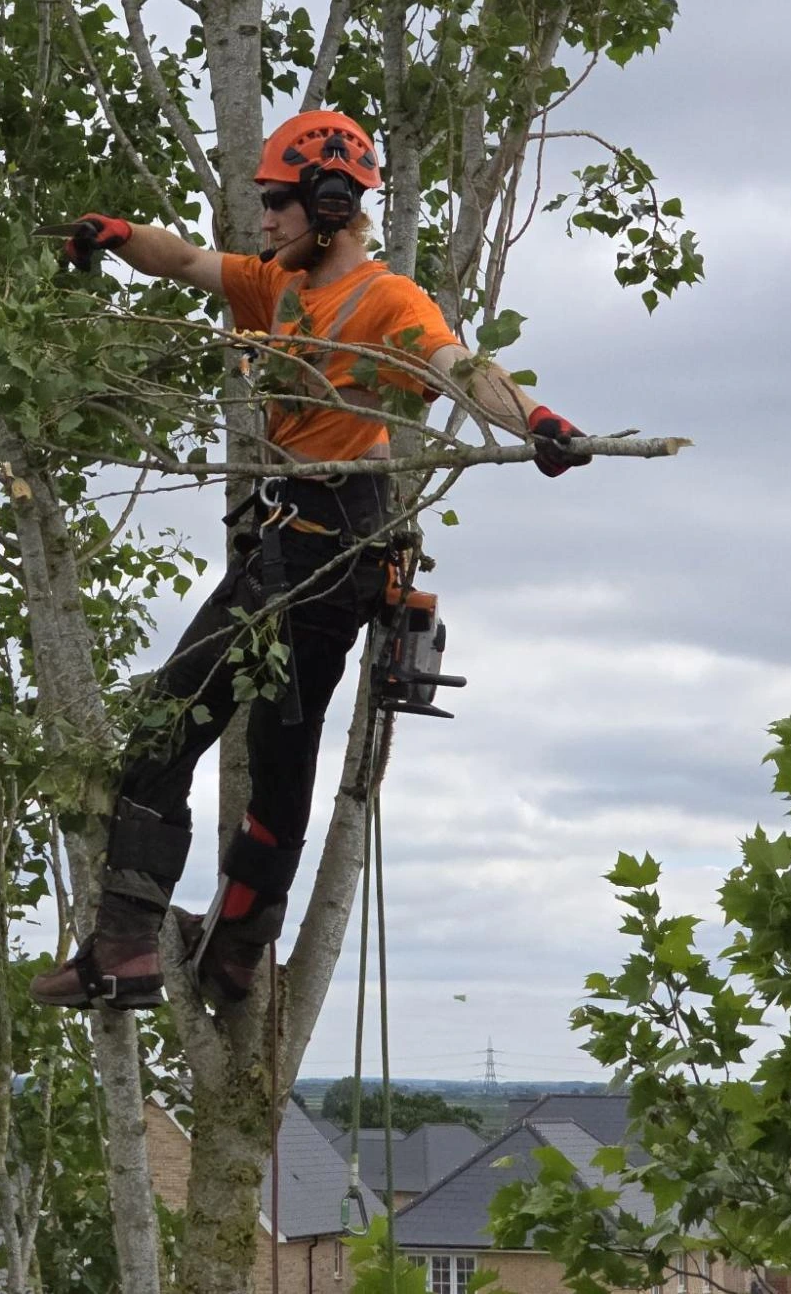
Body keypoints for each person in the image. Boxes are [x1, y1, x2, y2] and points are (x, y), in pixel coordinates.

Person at [30, 110, 589, 1010]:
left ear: (329, 205)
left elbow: (456, 365)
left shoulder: (383, 303)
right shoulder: (280, 289)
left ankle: (176, 947)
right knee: (232, 743)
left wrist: (537, 421)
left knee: (221, 737)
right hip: (292, 539)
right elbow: (184, 261)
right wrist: (120, 232)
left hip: (334, 546)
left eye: (276, 207)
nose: (264, 223)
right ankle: (194, 950)